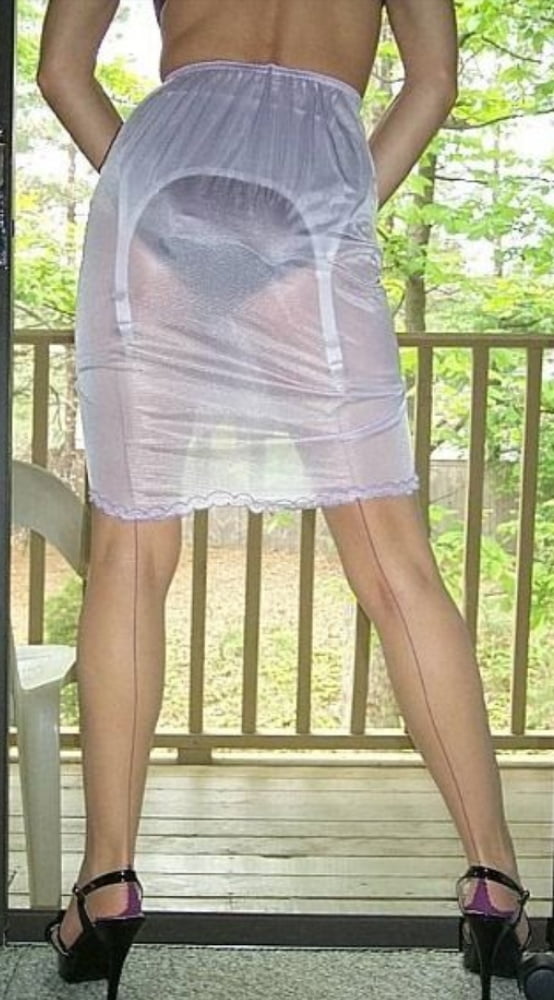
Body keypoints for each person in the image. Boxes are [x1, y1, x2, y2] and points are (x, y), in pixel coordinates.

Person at [36, 2, 531, 999]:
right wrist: (337, 206)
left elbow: (60, 72)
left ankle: (106, 884)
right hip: (314, 182)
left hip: (161, 175)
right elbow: (433, 82)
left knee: (131, 553)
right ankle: (495, 884)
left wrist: (149, 192)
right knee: (394, 564)